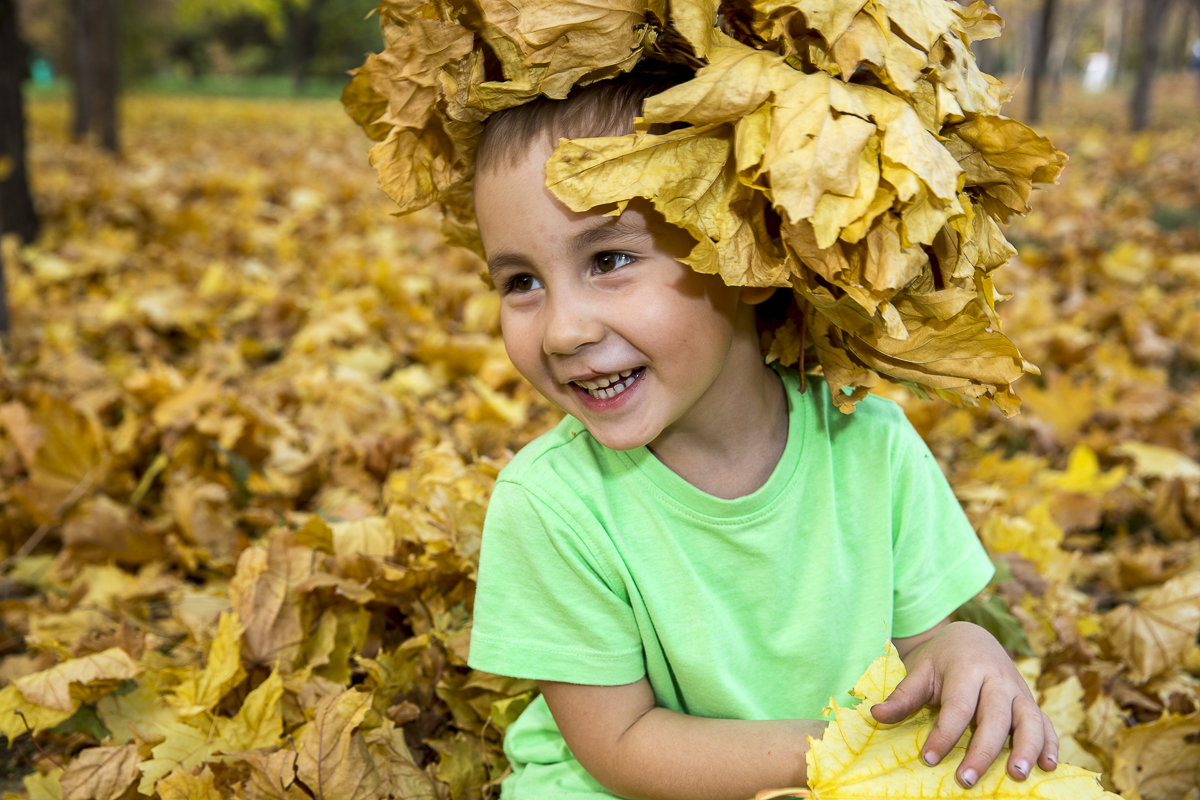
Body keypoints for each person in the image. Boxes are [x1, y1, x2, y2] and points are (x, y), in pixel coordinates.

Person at [465, 70, 1060, 800]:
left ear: (748, 250)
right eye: (521, 282)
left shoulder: (870, 447)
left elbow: (924, 645)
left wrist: (965, 648)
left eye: (609, 260)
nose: (563, 330)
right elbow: (619, 745)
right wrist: (848, 748)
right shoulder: (551, 503)